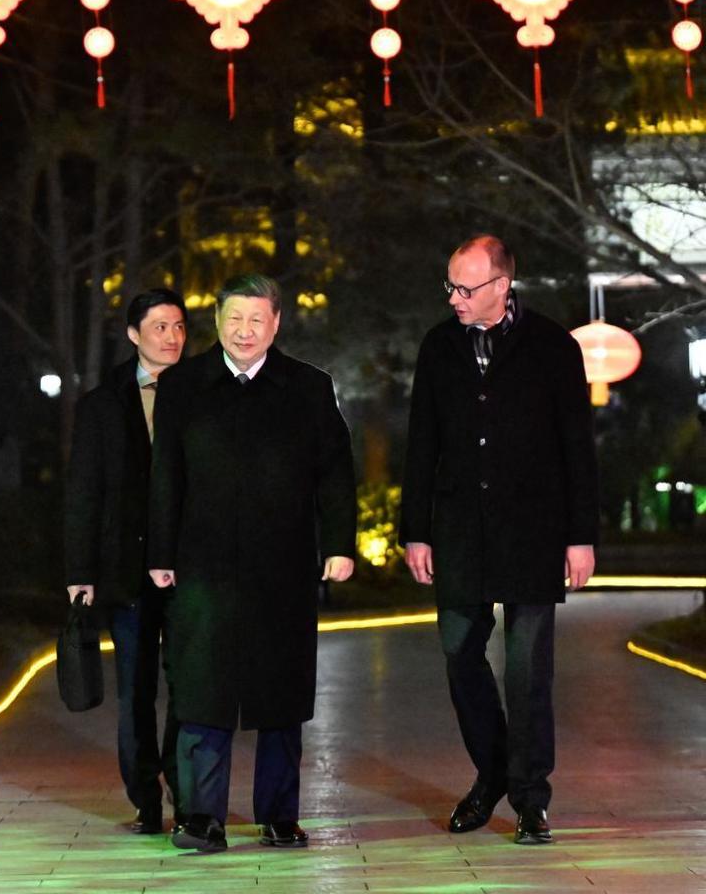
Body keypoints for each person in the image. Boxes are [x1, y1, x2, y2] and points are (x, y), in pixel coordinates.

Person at [147, 273, 356, 854]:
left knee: (281, 692)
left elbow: (335, 472)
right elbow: (166, 474)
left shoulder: (309, 387)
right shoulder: (182, 385)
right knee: (202, 688)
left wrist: (340, 545)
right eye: (234, 318)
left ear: (276, 323)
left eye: (257, 319)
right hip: (202, 563)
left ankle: (279, 816)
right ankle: (201, 816)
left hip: (282, 565)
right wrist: (160, 553)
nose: (245, 330)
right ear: (217, 320)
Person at [399, 235, 597, 845]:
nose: (454, 298)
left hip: (533, 530)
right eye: (450, 286)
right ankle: (492, 774)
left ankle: (531, 798)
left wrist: (581, 536)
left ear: (502, 285)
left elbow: (577, 446)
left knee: (528, 672)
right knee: (461, 655)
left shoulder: (554, 346)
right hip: (460, 529)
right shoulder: (439, 345)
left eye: (466, 288)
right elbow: (421, 442)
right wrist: (415, 531)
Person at [65, 289, 188, 835]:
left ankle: (186, 787)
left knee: (189, 686)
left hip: (188, 567)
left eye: (179, 326)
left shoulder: (203, 393)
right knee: (135, 689)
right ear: (135, 334)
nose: (172, 337)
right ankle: (145, 798)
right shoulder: (102, 405)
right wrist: (80, 572)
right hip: (126, 568)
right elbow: (83, 492)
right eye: (159, 327)